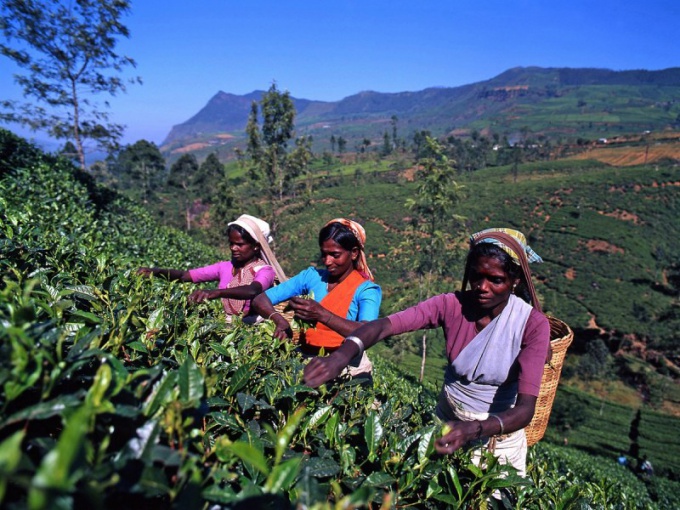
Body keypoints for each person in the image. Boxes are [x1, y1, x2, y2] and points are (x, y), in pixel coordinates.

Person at [304, 228, 550, 476]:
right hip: (447, 422)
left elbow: (524, 410)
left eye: (495, 280)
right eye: (476, 276)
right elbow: (383, 326)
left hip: (496, 439)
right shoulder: (451, 305)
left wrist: (473, 429)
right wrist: (340, 357)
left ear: (515, 280)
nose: (482, 287)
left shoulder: (532, 324)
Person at [252, 218, 381, 383]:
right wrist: (278, 320)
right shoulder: (312, 277)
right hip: (307, 359)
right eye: (324, 254)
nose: (328, 261)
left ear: (354, 253)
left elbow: (368, 332)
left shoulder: (367, 290)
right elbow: (260, 299)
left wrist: (322, 315)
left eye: (335, 255)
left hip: (347, 367)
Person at [138, 214, 283, 322]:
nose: (233, 248)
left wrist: (217, 292)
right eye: (231, 243)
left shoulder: (264, 270)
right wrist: (155, 272)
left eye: (240, 244)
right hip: (226, 326)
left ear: (256, 246)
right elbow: (185, 276)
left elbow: (253, 290)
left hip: (254, 330)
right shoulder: (225, 267)